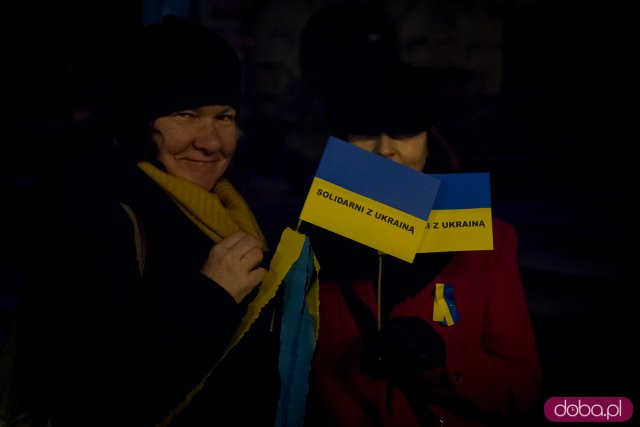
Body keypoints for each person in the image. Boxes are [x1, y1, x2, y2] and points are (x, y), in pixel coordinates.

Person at [12, 15, 280, 427]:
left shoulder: (226, 206)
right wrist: (212, 295)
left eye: (224, 117)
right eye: (186, 115)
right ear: (138, 118)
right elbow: (94, 389)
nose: (210, 142)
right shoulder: (91, 212)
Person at [302, 62, 543, 427]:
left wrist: (445, 359)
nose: (384, 150)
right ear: (341, 143)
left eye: (403, 132)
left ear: (430, 141)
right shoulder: (304, 239)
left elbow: (524, 389)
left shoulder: (487, 241)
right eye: (365, 132)